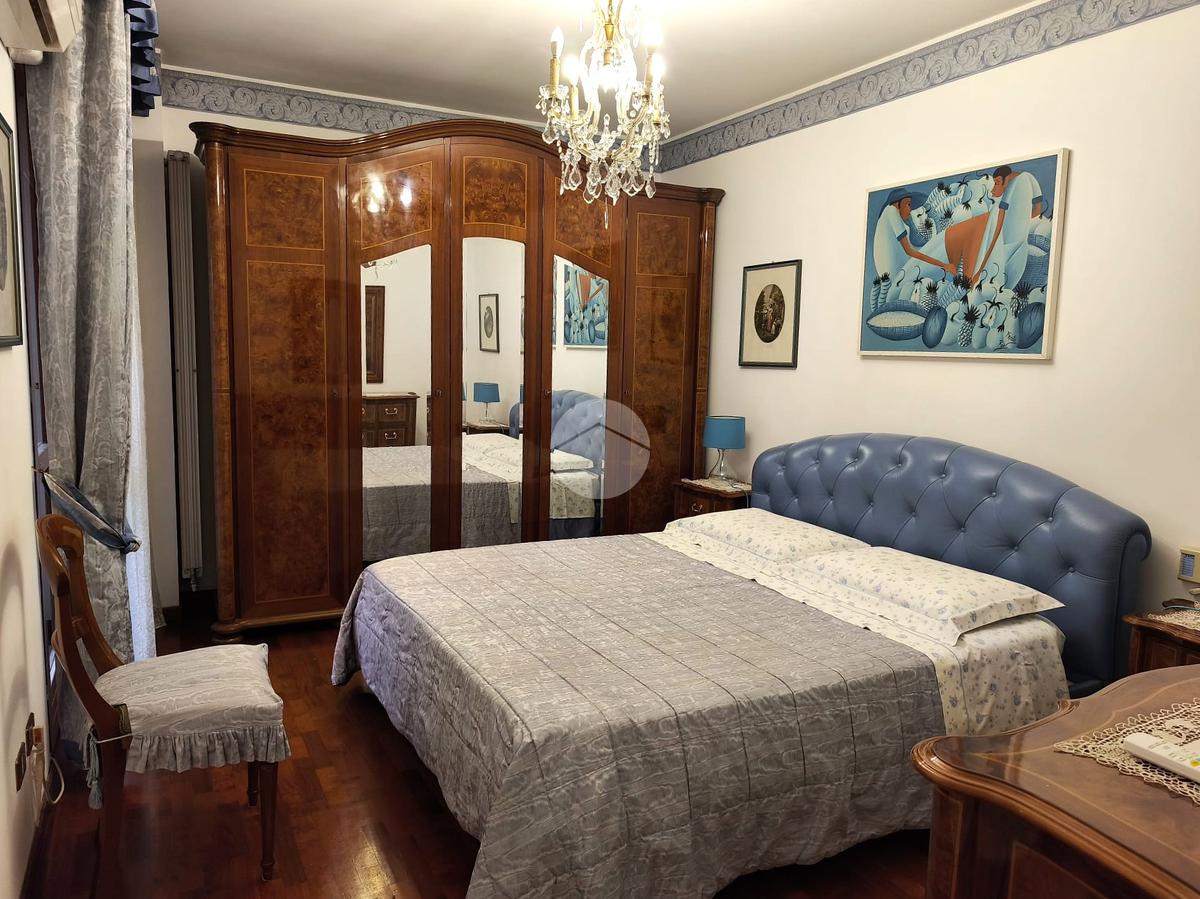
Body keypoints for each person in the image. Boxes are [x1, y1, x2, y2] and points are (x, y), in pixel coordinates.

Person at [872, 188, 955, 285]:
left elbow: (916, 241)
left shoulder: (890, 214)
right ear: (897, 203)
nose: (909, 209)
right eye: (907, 204)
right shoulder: (892, 211)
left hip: (896, 272)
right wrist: (943, 265)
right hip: (896, 275)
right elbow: (909, 251)